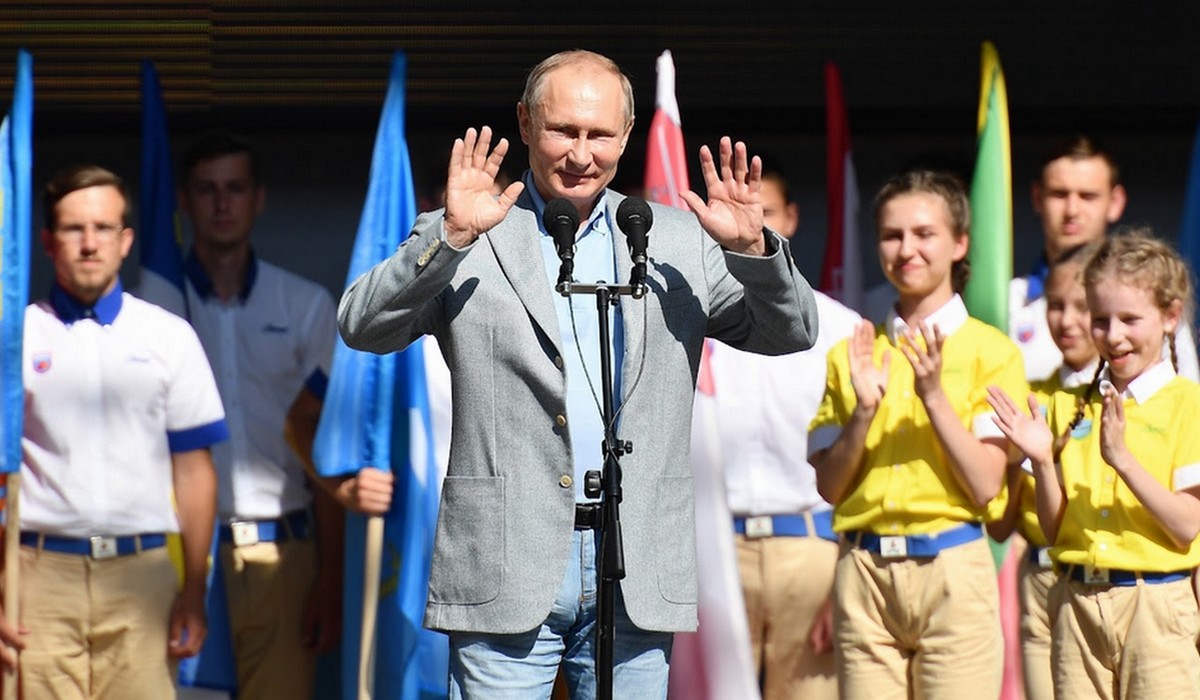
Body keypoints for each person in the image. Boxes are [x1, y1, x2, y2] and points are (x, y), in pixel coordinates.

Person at [335, 49, 818, 699]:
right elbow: (361, 324)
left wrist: (754, 253)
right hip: (505, 559)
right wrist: (448, 236)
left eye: (600, 135)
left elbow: (791, 331)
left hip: (636, 558)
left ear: (627, 134)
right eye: (564, 130)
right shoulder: (472, 230)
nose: (581, 153)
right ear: (526, 124)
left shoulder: (675, 240)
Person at [808, 169, 1027, 699]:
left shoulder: (993, 353)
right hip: (863, 570)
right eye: (892, 234)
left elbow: (984, 487)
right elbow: (830, 488)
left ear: (960, 243)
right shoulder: (852, 351)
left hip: (951, 569)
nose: (907, 248)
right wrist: (863, 412)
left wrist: (933, 397)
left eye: (924, 233)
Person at [141, 132, 342, 699]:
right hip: (175, 561)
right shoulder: (150, 311)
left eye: (235, 189)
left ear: (259, 199)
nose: (222, 203)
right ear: (183, 201)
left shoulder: (305, 306)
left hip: (284, 558)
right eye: (207, 190)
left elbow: (327, 451)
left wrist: (331, 580)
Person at [14, 164, 226, 698]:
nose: (90, 244)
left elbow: (195, 471)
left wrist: (195, 590)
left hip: (144, 576)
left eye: (104, 228)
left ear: (126, 239)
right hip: (37, 576)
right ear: (46, 240)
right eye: (73, 229)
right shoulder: (14, 339)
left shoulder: (169, 336)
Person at [988, 229, 1200, 698]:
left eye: (1129, 319)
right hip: (1076, 598)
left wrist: (1122, 460)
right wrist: (1042, 462)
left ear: (1169, 316)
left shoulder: (1189, 404)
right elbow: (1055, 528)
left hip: (1155, 604)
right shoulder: (1068, 404)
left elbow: (1187, 525)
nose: (1113, 335)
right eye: (1101, 319)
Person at [695, 162, 859, 699]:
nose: (749, 226)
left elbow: (861, 460)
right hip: (713, 551)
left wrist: (845, 577)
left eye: (764, 214)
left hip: (810, 550)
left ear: (790, 219)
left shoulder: (843, 328)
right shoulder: (695, 324)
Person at [987, 242, 1101, 700]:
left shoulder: (1131, 400)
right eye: (1056, 306)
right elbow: (998, 525)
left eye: (1084, 307)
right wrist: (1017, 461)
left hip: (1106, 581)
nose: (1067, 321)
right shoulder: (1026, 400)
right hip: (1037, 580)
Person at [1011, 135, 1199, 382]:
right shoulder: (1007, 300)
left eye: (1087, 196)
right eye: (1059, 194)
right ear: (1036, 198)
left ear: (1115, 201)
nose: (1072, 211)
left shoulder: (1151, 300)